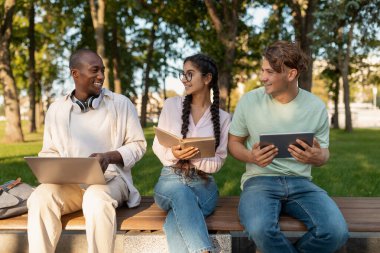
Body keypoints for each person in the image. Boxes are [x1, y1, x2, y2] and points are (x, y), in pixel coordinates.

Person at [228, 41, 349, 253]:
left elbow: (324, 154)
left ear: (291, 74)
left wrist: (316, 156)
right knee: (260, 229)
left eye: (270, 72)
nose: (262, 77)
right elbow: (233, 143)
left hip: (301, 183)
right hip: (259, 182)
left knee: (336, 232)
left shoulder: (316, 107)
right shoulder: (249, 101)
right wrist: (251, 156)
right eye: (262, 70)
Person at [27, 49, 147, 253]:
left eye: (102, 70)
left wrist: (108, 157)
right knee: (39, 197)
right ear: (75, 74)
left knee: (96, 198)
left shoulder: (121, 103)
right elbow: (49, 151)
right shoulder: (56, 109)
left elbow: (138, 145)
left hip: (112, 180)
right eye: (95, 70)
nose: (101, 76)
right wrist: (52, 167)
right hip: (71, 185)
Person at [152, 54, 230, 253]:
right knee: (181, 193)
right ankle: (205, 251)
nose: (184, 79)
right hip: (170, 181)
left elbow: (218, 161)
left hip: (203, 186)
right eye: (183, 74)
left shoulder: (222, 118)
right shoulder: (171, 106)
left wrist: (194, 155)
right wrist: (176, 154)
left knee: (174, 221)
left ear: (207, 78)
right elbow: (158, 147)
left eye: (190, 74)